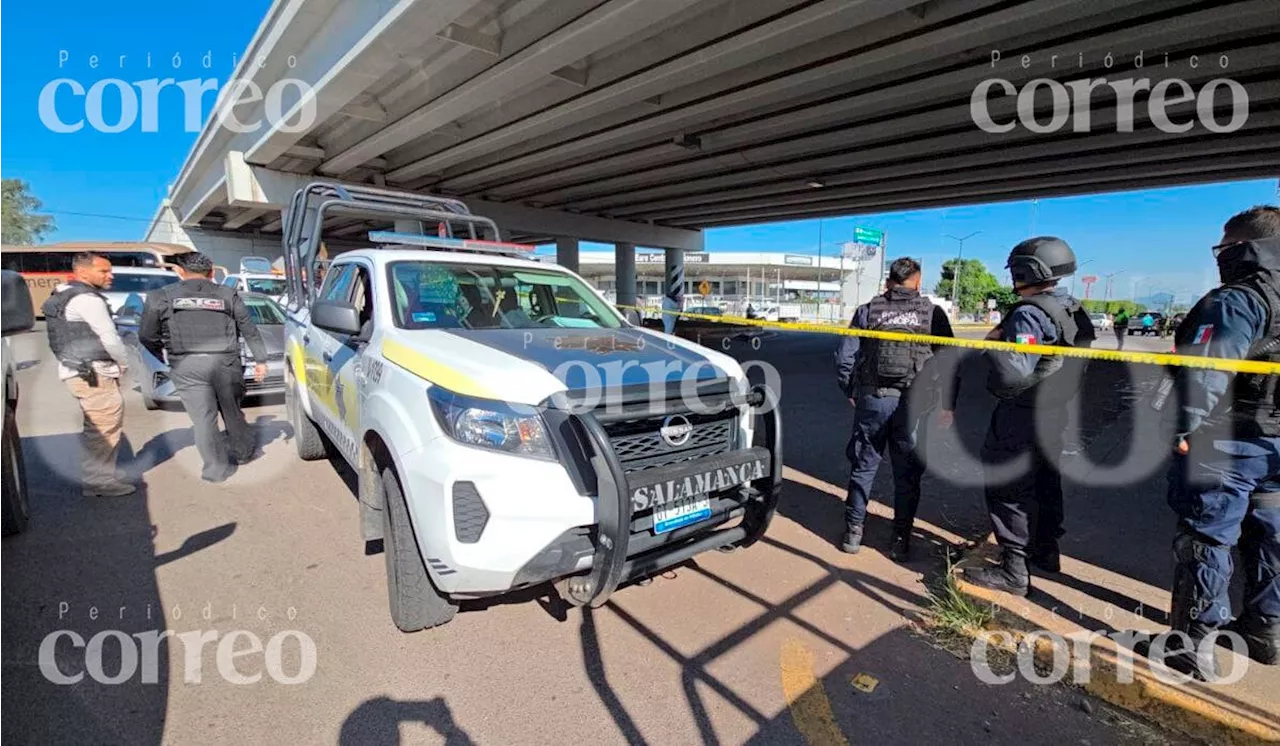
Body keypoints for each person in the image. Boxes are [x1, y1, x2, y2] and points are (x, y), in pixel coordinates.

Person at [1164, 205, 1280, 681]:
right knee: (1270, 536)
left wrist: (1185, 428)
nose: (1220, 256)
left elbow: (1208, 371)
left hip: (1230, 440)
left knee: (1207, 535)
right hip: (1274, 443)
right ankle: (1264, 631)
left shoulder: (1237, 301)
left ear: (1245, 249)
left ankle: (1190, 645)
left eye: (1225, 247)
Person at [963, 237, 1096, 596]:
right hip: (1058, 410)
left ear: (1027, 271)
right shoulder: (1070, 307)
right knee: (1044, 483)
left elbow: (1013, 372)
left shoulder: (1029, 312)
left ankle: (1014, 569)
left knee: (1008, 485)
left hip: (1024, 412)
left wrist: (993, 343)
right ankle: (1046, 552)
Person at [834, 257, 958, 561]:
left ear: (890, 279)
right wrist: (948, 404)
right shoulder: (932, 313)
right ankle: (900, 541)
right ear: (916, 280)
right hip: (914, 404)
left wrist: (851, 391)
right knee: (907, 475)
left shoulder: (868, 310)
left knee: (864, 466)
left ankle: (853, 533)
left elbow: (843, 357)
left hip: (873, 400)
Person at [139, 252, 269, 482]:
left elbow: (148, 335)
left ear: (180, 272)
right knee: (232, 411)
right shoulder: (228, 295)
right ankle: (244, 453)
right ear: (211, 273)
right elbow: (249, 328)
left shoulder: (160, 297)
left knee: (203, 419)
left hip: (187, 365)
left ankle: (216, 470)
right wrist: (261, 361)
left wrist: (165, 354)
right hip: (226, 363)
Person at [43, 253, 136, 497]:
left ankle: (101, 473)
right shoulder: (87, 299)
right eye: (104, 271)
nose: (110, 275)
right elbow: (109, 338)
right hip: (94, 371)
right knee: (104, 427)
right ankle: (99, 481)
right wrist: (123, 364)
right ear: (83, 273)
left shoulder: (64, 294)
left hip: (78, 369)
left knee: (97, 424)